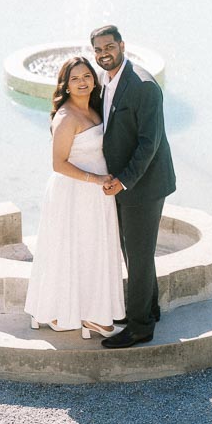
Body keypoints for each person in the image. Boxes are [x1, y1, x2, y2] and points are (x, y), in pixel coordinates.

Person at [24, 55, 125, 338]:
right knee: (74, 250)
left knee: (94, 251)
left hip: (97, 193)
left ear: (94, 79)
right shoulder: (66, 118)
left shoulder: (95, 109)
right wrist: (95, 180)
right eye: (75, 78)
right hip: (74, 192)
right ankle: (78, 315)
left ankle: (89, 314)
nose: (82, 82)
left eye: (86, 76)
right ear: (66, 85)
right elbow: (58, 164)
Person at [92, 24, 176, 349]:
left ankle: (140, 327)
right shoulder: (107, 81)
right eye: (98, 50)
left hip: (144, 186)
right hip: (125, 185)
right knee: (134, 251)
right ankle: (149, 309)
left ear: (122, 45)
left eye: (108, 47)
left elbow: (148, 144)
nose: (103, 54)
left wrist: (123, 181)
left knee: (138, 256)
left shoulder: (143, 86)